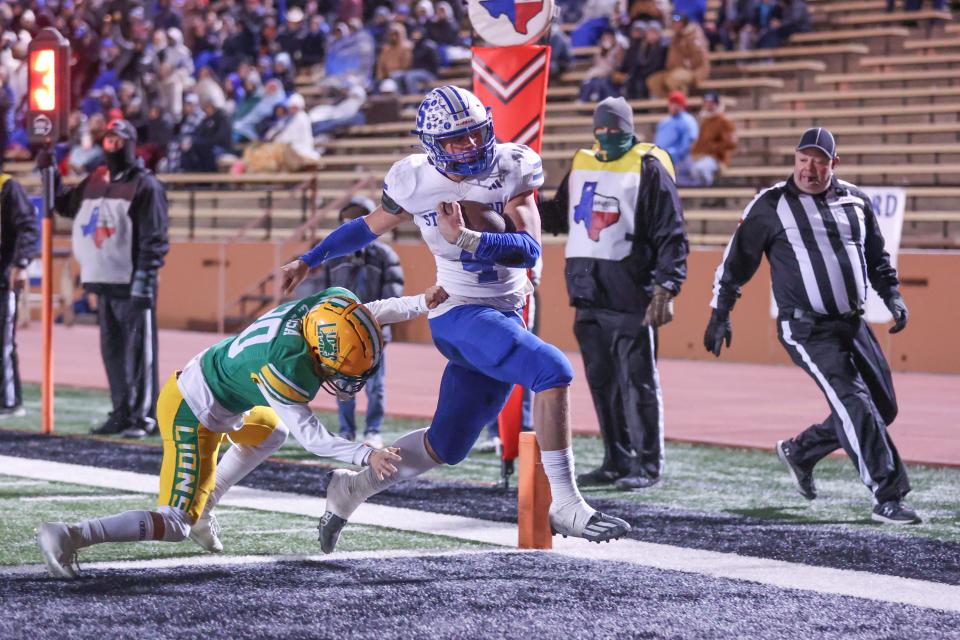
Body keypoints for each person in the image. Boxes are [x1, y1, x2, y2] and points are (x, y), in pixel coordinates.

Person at [281, 85, 632, 551]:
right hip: (456, 311)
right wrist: (310, 258)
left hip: (508, 311)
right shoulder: (413, 179)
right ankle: (565, 505)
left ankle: (352, 488)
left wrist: (466, 237)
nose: (469, 147)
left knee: (447, 444)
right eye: (455, 140)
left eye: (474, 134)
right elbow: (366, 228)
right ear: (430, 144)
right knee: (554, 370)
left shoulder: (511, 165)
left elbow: (527, 250)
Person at [36, 285, 449, 578]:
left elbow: (366, 312)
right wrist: (366, 455)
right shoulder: (282, 366)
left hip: (218, 387)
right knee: (175, 521)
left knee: (269, 433)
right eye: (337, 370)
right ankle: (71, 535)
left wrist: (418, 303)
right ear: (319, 354)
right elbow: (313, 437)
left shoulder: (327, 312)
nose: (341, 380)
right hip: (192, 411)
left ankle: (207, 506)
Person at [704, 127, 920, 525]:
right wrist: (721, 313)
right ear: (794, 159)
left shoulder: (856, 201)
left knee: (883, 408)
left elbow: (877, 257)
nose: (810, 168)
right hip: (806, 329)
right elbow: (735, 263)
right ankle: (888, 495)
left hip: (852, 325)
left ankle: (801, 451)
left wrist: (892, 296)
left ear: (834, 164)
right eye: (803, 158)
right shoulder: (771, 204)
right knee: (855, 402)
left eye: (819, 160)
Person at [541, 97, 688, 490]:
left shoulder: (649, 165)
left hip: (631, 293)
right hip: (587, 291)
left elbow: (670, 232)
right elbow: (560, 215)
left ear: (629, 128)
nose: (607, 136)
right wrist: (516, 205)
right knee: (602, 382)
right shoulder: (583, 163)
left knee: (637, 382)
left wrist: (666, 287)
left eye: (614, 129)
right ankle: (616, 459)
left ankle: (647, 464)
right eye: (601, 129)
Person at [38, 118, 169, 439]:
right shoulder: (95, 179)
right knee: (112, 352)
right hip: (102, 281)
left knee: (138, 352)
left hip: (132, 283)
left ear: (129, 143)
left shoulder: (145, 185)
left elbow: (155, 238)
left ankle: (142, 417)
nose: (110, 145)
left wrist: (144, 280)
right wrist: (49, 173)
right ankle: (121, 411)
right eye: (107, 140)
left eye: (117, 140)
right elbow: (64, 205)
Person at [295, 196, 404, 449]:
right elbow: (322, 293)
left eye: (359, 217)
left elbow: (394, 293)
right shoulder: (334, 256)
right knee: (343, 385)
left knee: (375, 386)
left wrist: (380, 327)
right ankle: (347, 431)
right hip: (341, 334)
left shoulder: (385, 256)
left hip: (375, 332)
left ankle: (373, 430)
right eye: (347, 219)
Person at [0, 169, 38, 418]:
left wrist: (22, 263)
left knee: (2, 341)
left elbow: (28, 227)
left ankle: (9, 400)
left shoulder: (7, 186)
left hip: (2, 277)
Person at [646, 14, 710, 99]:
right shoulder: (674, 36)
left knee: (674, 80)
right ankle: (669, 104)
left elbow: (700, 57)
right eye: (674, 23)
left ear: (684, 23)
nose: (675, 25)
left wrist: (686, 64)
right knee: (653, 81)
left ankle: (681, 105)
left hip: (693, 70)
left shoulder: (694, 36)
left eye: (678, 22)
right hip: (674, 70)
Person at [681, 90, 737, 187]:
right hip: (702, 157)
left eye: (711, 103)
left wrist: (713, 148)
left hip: (717, 159)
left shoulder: (724, 122)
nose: (708, 105)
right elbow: (699, 143)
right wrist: (694, 152)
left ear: (717, 104)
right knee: (681, 169)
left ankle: (708, 189)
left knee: (699, 169)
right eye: (706, 103)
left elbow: (732, 143)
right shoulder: (705, 122)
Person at [655, 91, 699, 169]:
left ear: (682, 105)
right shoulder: (665, 121)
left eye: (677, 103)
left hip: (680, 162)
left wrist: (670, 154)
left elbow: (690, 144)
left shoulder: (688, 121)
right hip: (662, 159)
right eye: (672, 103)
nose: (674, 106)